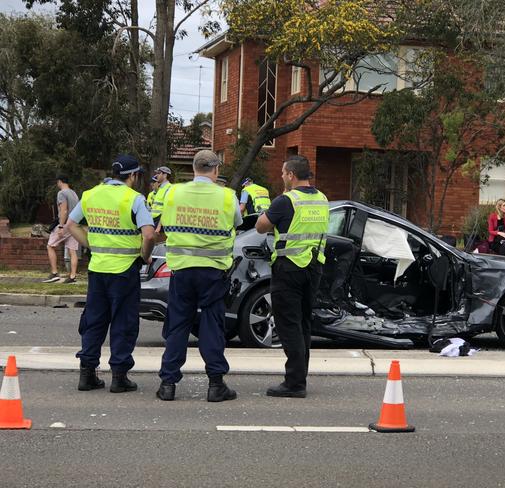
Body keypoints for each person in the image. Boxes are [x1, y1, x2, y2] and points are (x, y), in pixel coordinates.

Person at [156, 150, 242, 402]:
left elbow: (162, 225)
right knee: (212, 326)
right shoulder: (227, 196)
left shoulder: (172, 192)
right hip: (213, 272)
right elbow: (236, 223)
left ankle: (167, 384)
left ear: (194, 168)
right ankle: (216, 384)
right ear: (215, 170)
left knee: (177, 325)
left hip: (181, 269)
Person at [65, 154, 155, 393]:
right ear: (133, 176)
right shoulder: (135, 199)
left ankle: (87, 374)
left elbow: (70, 225)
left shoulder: (90, 194)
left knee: (94, 320)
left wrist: (91, 246)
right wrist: (145, 255)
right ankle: (119, 376)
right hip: (125, 269)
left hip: (97, 269)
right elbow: (148, 234)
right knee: (123, 322)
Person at [255, 155, 329, 398]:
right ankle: (300, 375)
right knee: (304, 323)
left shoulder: (286, 201)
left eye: (284, 173)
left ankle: (295, 382)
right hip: (314, 267)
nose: (282, 177)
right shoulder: (322, 199)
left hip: (289, 268)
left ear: (292, 175)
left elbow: (261, 226)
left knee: (288, 324)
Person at [43, 175, 80, 283]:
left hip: (65, 224)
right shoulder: (74, 193)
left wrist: (60, 226)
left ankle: (54, 273)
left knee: (50, 246)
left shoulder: (61, 193)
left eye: (57, 182)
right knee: (72, 251)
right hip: (74, 224)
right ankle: (72, 276)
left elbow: (63, 210)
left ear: (60, 182)